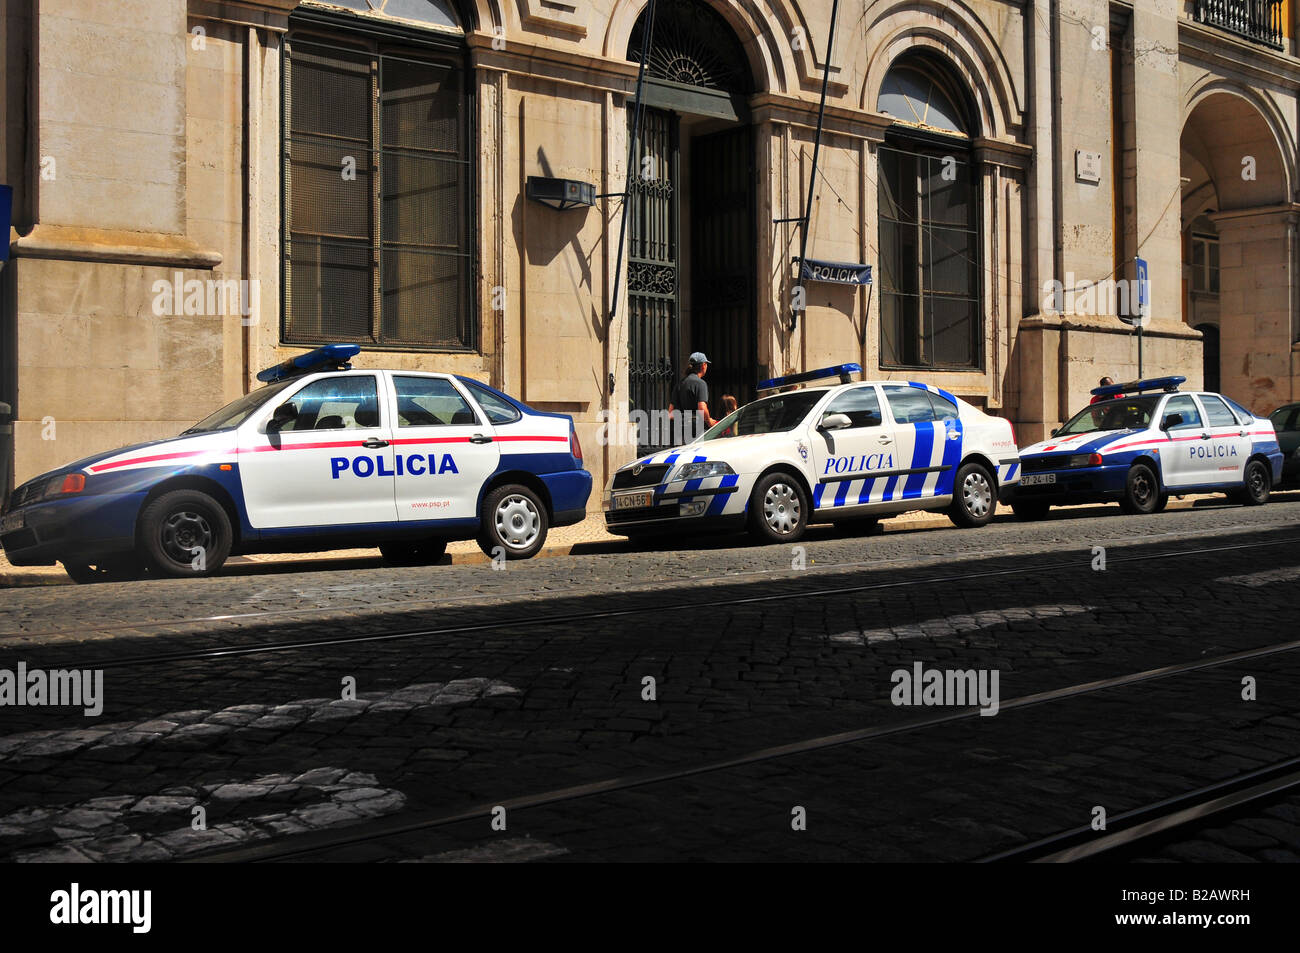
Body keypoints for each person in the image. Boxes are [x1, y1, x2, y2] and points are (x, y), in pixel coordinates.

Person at [668, 352, 715, 443]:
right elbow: (702, 407)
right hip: (695, 428)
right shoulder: (700, 384)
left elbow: (670, 413)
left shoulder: (679, 384)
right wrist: (709, 421)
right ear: (703, 365)